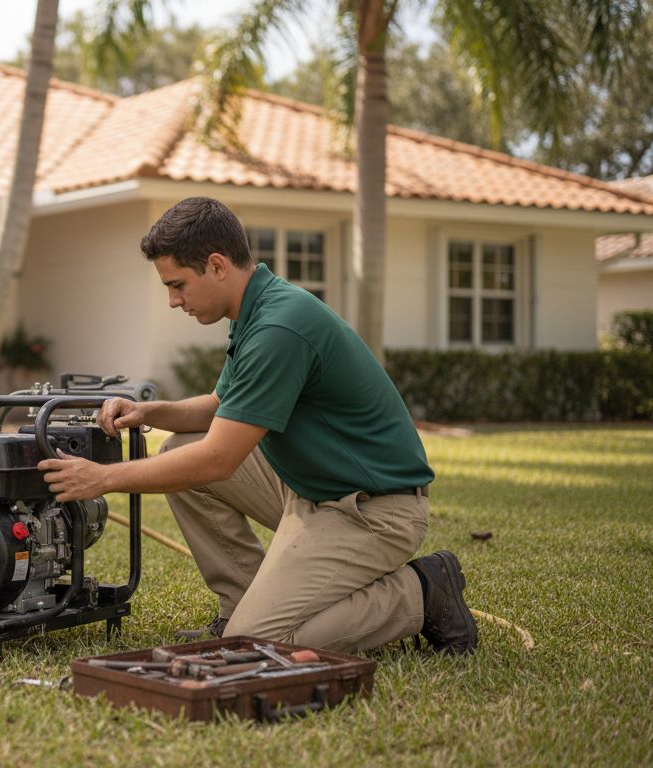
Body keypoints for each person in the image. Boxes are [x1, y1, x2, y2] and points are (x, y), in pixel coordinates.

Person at [37, 196, 477, 654]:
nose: (173, 301)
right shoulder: (256, 308)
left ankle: (422, 593)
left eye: (178, 285)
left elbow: (219, 460)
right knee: (176, 450)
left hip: (372, 511)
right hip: (313, 490)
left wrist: (103, 478)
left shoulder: (278, 328)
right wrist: (150, 411)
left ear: (217, 265)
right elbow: (219, 406)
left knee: (258, 644)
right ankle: (242, 604)